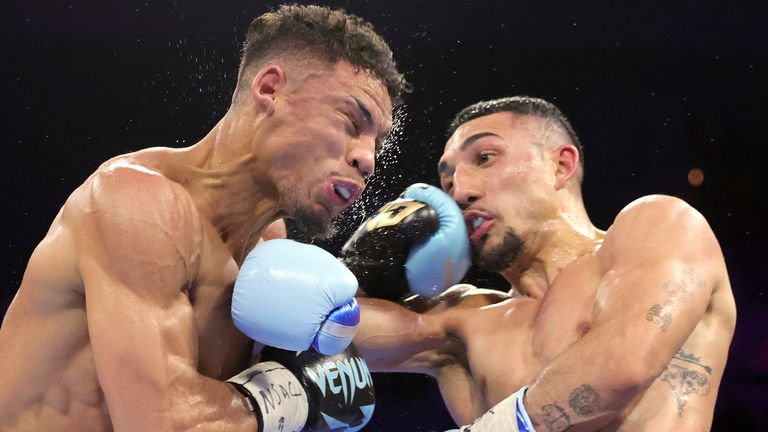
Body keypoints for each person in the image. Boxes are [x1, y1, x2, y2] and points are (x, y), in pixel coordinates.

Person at [0, 5, 408, 431]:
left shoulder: (269, 242)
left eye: (377, 140)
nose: (368, 158)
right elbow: (159, 423)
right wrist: (295, 392)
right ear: (270, 89)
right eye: (351, 121)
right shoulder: (137, 203)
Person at [351, 96, 736, 431]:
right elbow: (320, 332)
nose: (461, 191)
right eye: (448, 181)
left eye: (485, 158)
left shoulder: (658, 225)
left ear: (561, 165)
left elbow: (623, 366)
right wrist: (366, 268)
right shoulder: (466, 318)